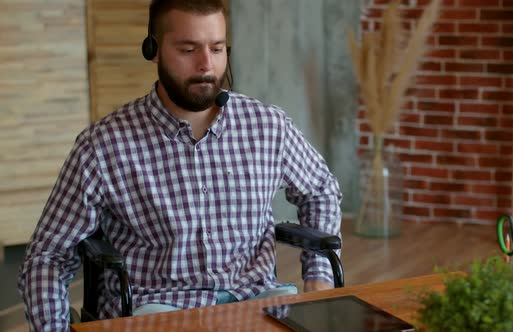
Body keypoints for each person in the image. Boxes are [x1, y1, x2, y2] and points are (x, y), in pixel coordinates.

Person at [17, 0, 342, 330]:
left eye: (216, 49)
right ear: (153, 50)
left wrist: (319, 280)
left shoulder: (269, 127)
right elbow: (49, 256)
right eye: (188, 50)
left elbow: (321, 191)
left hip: (257, 305)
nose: (206, 65)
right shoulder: (103, 146)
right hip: (158, 313)